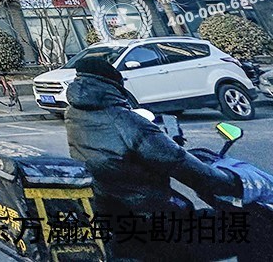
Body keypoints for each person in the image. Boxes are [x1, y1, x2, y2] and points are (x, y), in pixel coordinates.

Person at [64, 55, 239, 261]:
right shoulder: (124, 119)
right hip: (151, 214)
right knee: (241, 229)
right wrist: (231, 182)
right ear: (113, 85)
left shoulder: (74, 113)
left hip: (112, 208)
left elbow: (119, 152)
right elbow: (177, 162)